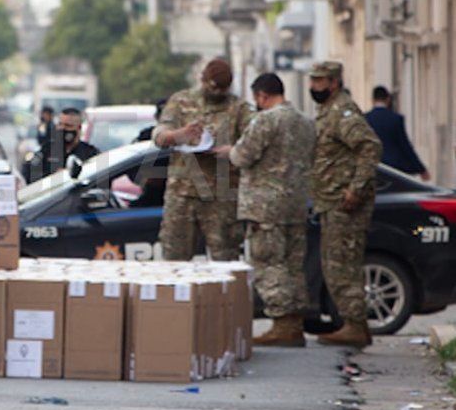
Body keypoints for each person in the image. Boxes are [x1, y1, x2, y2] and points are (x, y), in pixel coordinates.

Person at [215, 74, 315, 347]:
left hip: (265, 206)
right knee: (293, 265)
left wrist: (230, 151)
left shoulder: (266, 119)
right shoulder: (306, 122)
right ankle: (294, 321)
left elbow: (242, 156)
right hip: (295, 204)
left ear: (261, 96)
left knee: (268, 263)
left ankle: (282, 323)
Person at [309, 61, 382, 347]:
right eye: (313, 81)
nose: (314, 86)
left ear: (334, 83)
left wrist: (356, 189)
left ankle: (355, 326)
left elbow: (370, 147)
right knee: (334, 264)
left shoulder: (343, 111)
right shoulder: (328, 112)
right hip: (331, 202)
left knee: (343, 266)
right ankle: (353, 324)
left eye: (319, 81)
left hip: (345, 205)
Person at [153, 58, 253, 261]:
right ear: (203, 79)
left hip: (221, 196)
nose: (217, 93)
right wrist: (179, 135)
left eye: (222, 90)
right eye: (213, 87)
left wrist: (231, 151)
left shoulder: (239, 108)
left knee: (225, 260)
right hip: (183, 194)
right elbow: (159, 136)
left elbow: (255, 143)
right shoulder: (181, 102)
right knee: (175, 259)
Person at [366, 86, 430, 181]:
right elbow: (405, 146)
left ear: (372, 100)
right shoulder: (396, 119)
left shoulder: (365, 119)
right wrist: (421, 169)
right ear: (388, 99)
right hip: (395, 170)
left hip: (374, 169)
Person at [55, 107, 99, 177]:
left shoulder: (90, 153)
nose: (62, 128)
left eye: (68, 125)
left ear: (79, 128)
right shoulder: (47, 150)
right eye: (60, 124)